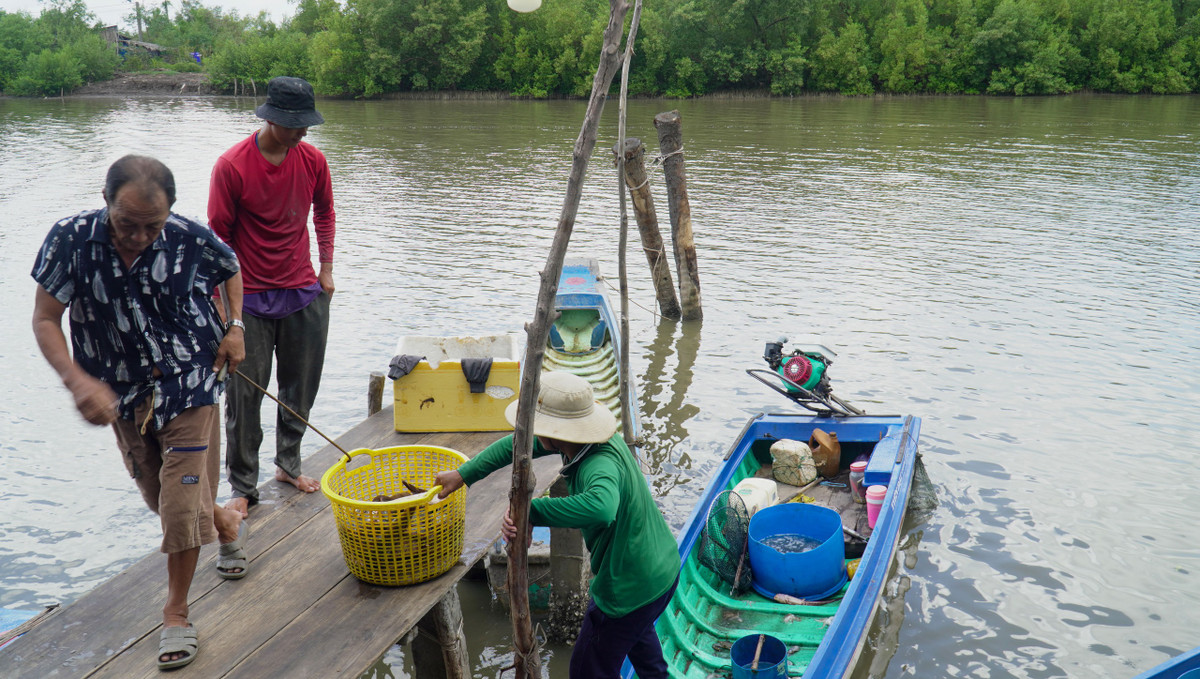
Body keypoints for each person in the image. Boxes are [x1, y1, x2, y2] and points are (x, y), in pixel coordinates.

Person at [31, 155, 250, 670]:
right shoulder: (70, 240)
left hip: (189, 382)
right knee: (159, 495)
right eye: (127, 224)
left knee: (178, 504)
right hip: (120, 394)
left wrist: (235, 326)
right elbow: (44, 319)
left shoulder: (188, 237)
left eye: (152, 226)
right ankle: (223, 523)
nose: (138, 237)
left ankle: (175, 612)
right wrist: (77, 382)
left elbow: (230, 268)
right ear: (106, 202)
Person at [434, 372, 680, 679]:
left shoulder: (597, 463)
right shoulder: (585, 441)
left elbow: (602, 508)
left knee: (587, 670)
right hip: (662, 571)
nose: (536, 433)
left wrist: (531, 511)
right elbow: (516, 446)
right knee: (648, 660)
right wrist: (464, 475)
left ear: (557, 430)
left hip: (627, 585)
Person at [207, 75, 336, 517]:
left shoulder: (313, 160)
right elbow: (218, 240)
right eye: (295, 125)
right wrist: (223, 308)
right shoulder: (233, 166)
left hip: (303, 289)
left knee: (301, 385)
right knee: (245, 396)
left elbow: (324, 212)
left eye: (306, 124)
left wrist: (327, 269)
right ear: (271, 118)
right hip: (250, 298)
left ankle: (288, 462)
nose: (303, 132)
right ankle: (243, 485)